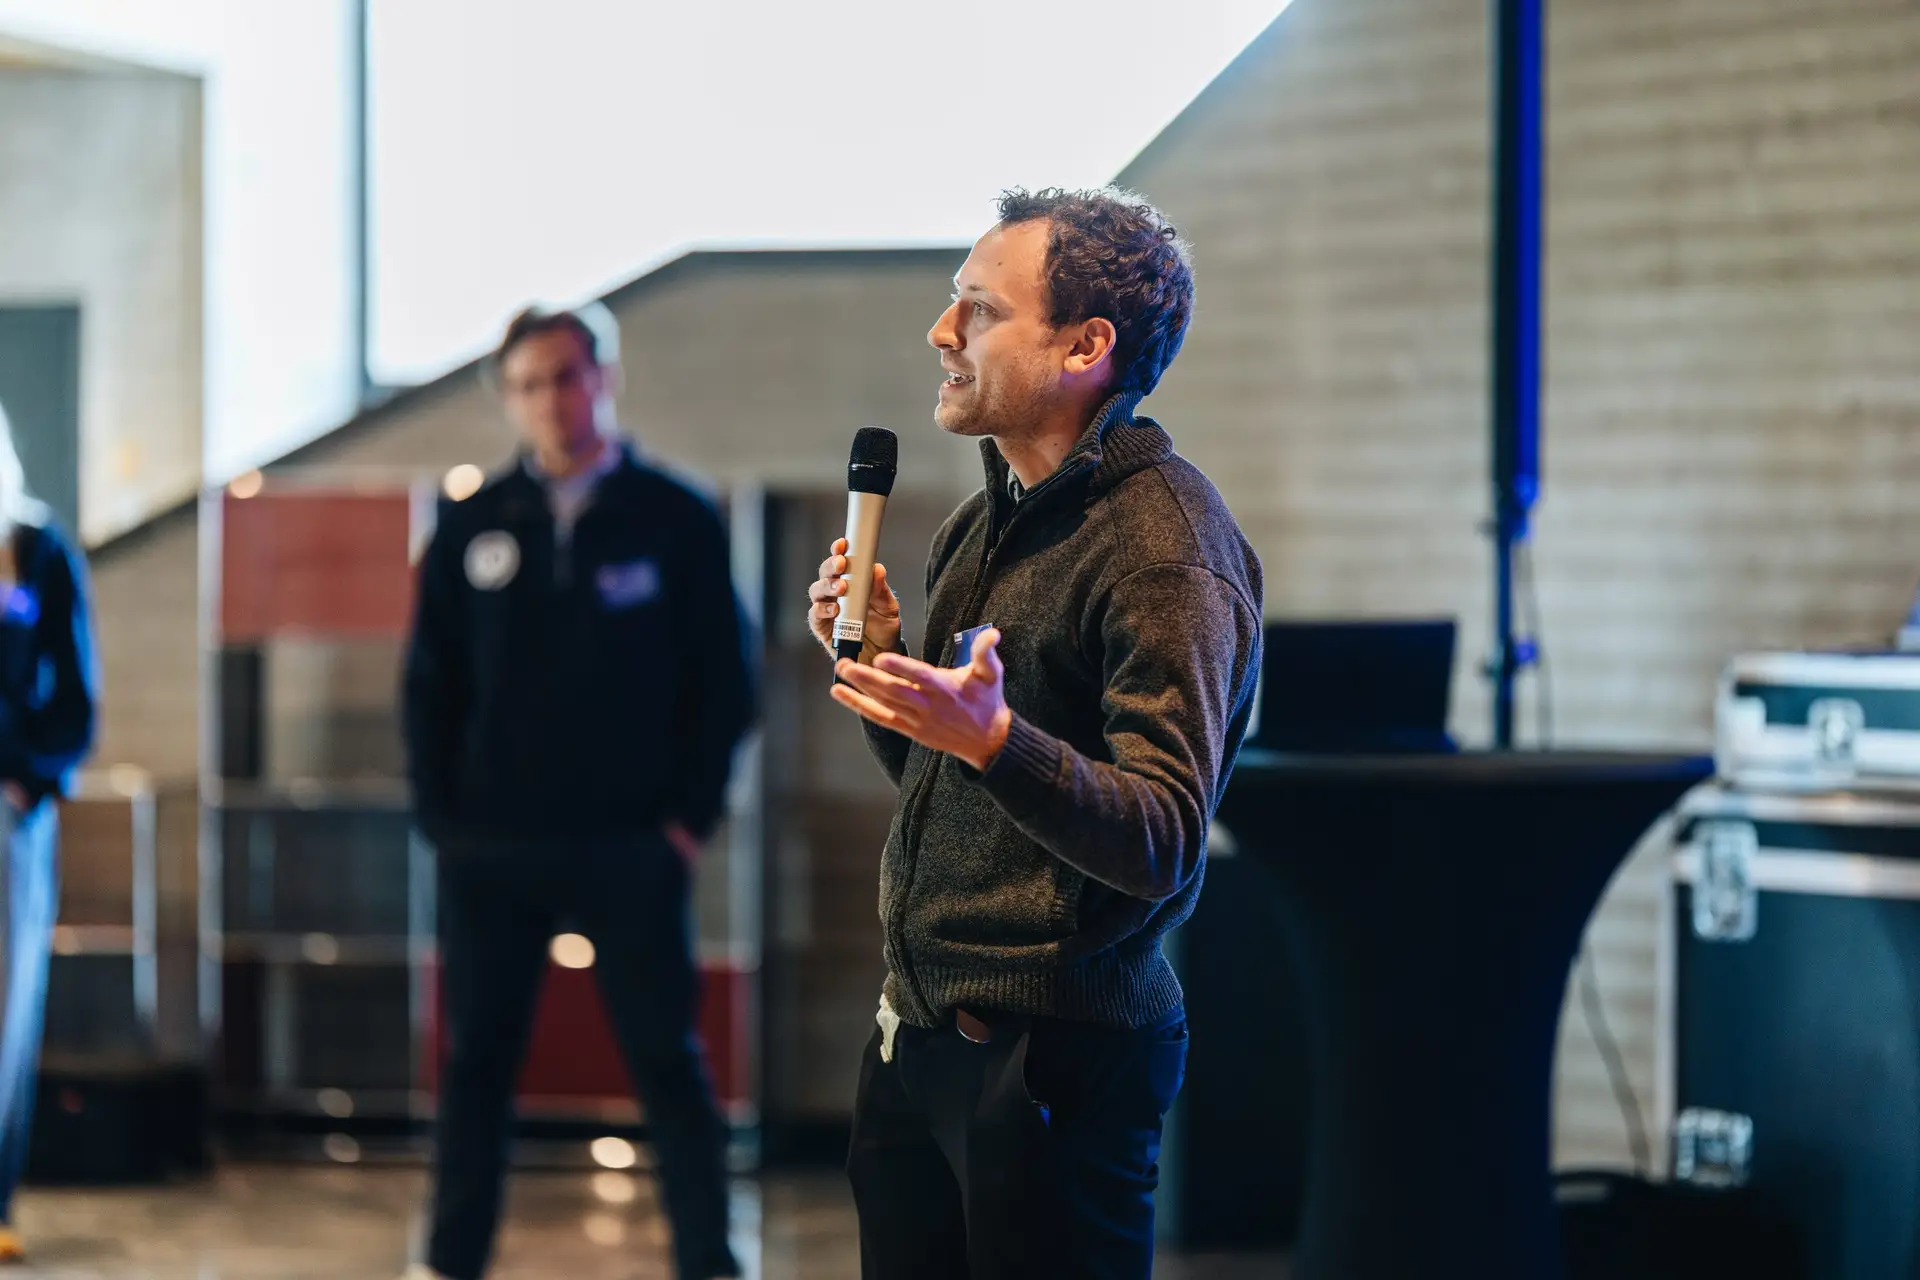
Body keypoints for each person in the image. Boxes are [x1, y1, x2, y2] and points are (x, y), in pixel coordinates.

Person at [807, 187, 1264, 1278]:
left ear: (1084, 346)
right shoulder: (982, 523)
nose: (942, 332)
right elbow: (950, 785)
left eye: (980, 308)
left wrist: (995, 740)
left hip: (1055, 1057)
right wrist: (889, 666)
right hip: (919, 1035)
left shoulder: (1163, 550)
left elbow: (1163, 838)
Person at [400, 306, 753, 1280]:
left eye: (565, 377)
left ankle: (710, 1261)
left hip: (630, 844)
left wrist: (684, 823)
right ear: (508, 399)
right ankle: (449, 1261)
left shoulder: (675, 516)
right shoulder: (471, 523)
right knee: (475, 1066)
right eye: (528, 385)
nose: (550, 401)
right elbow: (429, 688)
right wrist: (444, 824)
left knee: (668, 1062)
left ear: (603, 377)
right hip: (492, 849)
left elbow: (725, 685)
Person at [0, 399, 98, 1265]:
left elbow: (74, 697)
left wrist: (25, 782)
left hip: (8, 816)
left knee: (4, 1011)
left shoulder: (36, 549)